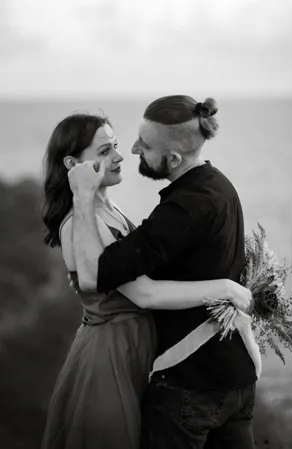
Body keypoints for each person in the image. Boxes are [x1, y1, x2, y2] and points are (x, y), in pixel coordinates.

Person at [41, 112, 254, 449]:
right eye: (104, 151)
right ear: (73, 164)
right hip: (111, 354)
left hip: (141, 347)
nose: (120, 156)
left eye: (116, 146)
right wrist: (225, 288)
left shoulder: (112, 210)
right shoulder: (77, 224)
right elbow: (141, 292)